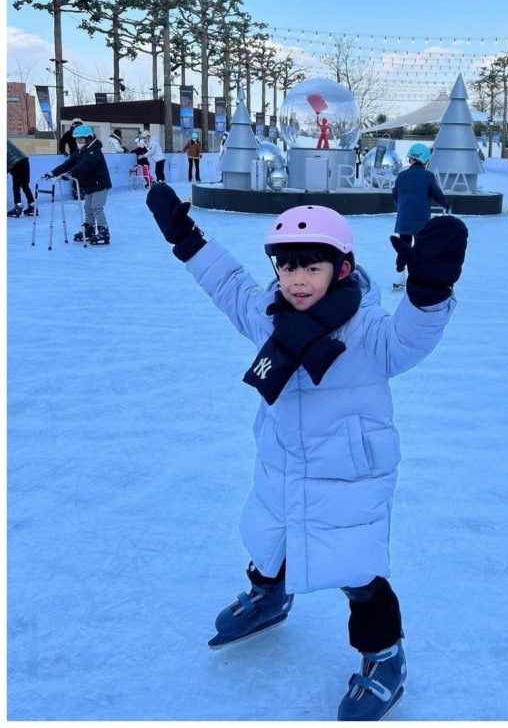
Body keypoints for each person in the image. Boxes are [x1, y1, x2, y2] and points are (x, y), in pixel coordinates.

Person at [145, 185, 468, 721]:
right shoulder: (268, 315)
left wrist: (429, 291)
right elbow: (226, 283)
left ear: (342, 269)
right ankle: (270, 596)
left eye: (312, 268)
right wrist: (185, 237)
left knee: (359, 575)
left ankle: (384, 656)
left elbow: (410, 339)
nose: (296, 280)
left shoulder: (367, 331)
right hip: (281, 465)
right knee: (269, 539)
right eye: (287, 267)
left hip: (350, 477)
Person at [391, 143, 449, 290]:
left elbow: (395, 195)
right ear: (426, 160)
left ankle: (398, 276)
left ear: (411, 159)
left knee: (404, 246)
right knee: (421, 247)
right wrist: (445, 204)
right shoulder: (428, 176)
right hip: (422, 220)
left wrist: (403, 206)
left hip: (404, 218)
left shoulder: (402, 176)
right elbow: (437, 194)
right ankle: (418, 277)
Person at [44, 125, 112, 245]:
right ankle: (89, 229)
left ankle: (104, 231)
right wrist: (53, 173)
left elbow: (85, 164)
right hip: (89, 184)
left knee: (97, 207)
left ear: (88, 138)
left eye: (81, 139)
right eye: (76, 140)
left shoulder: (94, 151)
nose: (78, 142)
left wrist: (70, 173)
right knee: (88, 208)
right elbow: (68, 163)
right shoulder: (80, 151)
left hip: (100, 183)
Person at [7, 139, 35, 217]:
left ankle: (18, 207)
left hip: (15, 163)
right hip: (24, 159)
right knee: (25, 185)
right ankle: (32, 206)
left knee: (16, 186)